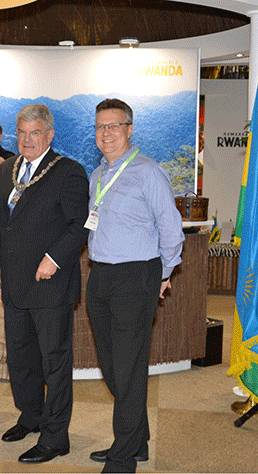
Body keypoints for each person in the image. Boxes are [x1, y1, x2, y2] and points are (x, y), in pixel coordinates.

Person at [85, 99, 184, 473]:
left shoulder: (148, 172)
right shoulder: (97, 175)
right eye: (100, 126)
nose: (106, 132)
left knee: (127, 367)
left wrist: (163, 274)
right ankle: (137, 439)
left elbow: (171, 229)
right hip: (100, 276)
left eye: (114, 125)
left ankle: (123, 456)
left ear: (129, 129)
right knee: (113, 366)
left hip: (136, 276)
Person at [0, 105, 89, 464]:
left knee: (54, 363)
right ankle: (30, 416)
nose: (27, 139)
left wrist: (53, 259)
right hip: (15, 284)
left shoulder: (68, 171)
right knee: (21, 360)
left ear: (49, 135)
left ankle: (55, 437)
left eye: (35, 132)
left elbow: (79, 224)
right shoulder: (7, 169)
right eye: (21, 132)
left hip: (50, 284)